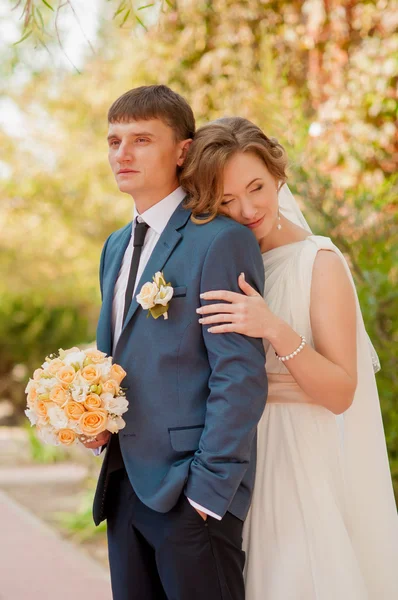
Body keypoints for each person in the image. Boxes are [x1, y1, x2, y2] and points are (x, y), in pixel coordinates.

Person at [180, 116, 398, 599]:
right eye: (226, 200)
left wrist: (273, 328)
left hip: (294, 461)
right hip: (234, 460)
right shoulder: (222, 262)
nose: (247, 208)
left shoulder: (317, 262)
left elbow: (341, 391)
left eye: (256, 187)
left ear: (278, 174)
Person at [83, 87, 268, 600]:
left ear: (182, 150)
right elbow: (122, 355)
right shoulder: (115, 246)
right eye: (114, 140)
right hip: (123, 488)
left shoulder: (219, 238)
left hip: (192, 495)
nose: (123, 153)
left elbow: (239, 375)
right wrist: (91, 417)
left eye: (142, 139)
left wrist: (206, 496)